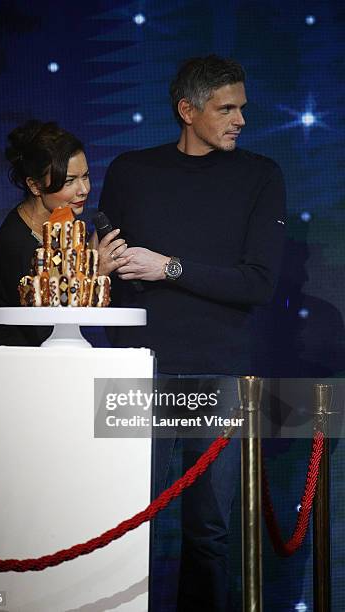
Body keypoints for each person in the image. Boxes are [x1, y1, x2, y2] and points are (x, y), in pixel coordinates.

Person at [98, 55, 286, 611]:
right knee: (132, 528)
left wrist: (170, 267)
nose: (240, 120)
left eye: (242, 108)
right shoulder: (131, 170)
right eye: (226, 108)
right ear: (187, 110)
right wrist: (101, 267)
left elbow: (258, 283)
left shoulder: (260, 175)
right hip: (139, 369)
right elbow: (108, 271)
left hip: (217, 370)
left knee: (209, 532)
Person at [0, 120, 128, 427]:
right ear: (35, 185)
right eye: (69, 181)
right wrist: (96, 275)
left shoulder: (61, 223)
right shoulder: (16, 246)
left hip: (50, 385)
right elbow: (49, 326)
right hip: (13, 395)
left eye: (86, 176)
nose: (84, 190)